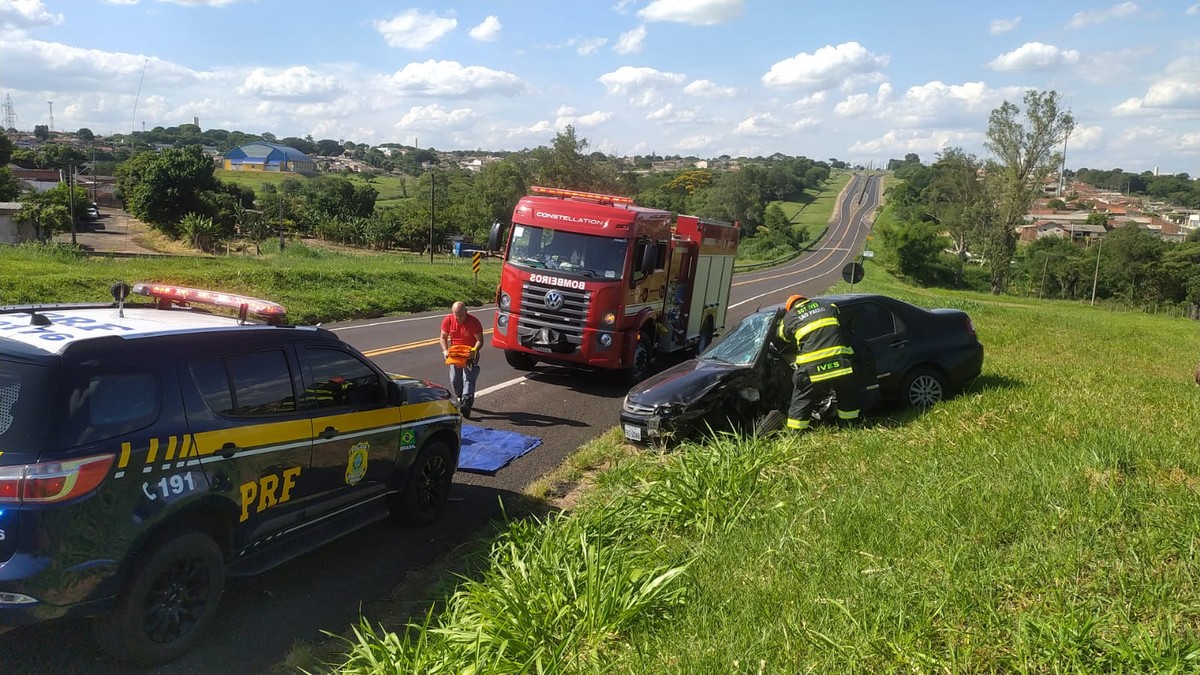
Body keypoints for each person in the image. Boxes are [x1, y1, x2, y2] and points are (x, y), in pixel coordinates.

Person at [778, 294, 860, 431]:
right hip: (840, 362)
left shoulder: (790, 316)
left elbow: (783, 337)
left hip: (812, 368)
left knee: (801, 398)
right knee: (847, 394)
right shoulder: (828, 306)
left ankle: (796, 433)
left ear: (790, 307)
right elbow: (841, 319)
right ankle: (850, 426)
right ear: (805, 300)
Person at [440, 301, 483, 418]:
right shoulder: (448, 320)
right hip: (456, 355)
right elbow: (443, 337)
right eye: (456, 315)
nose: (458, 318)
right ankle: (460, 396)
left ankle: (467, 402)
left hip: (469, 354)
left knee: (468, 379)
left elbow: (480, 340)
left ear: (466, 312)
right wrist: (445, 350)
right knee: (454, 379)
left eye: (461, 315)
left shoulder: (474, 322)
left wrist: (474, 350)